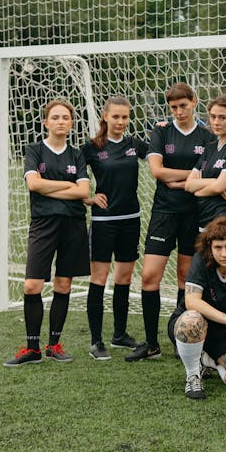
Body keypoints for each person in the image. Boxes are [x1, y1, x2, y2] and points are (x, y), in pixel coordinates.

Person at [126, 83, 215, 362]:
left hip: (194, 213)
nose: (179, 111)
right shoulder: (161, 132)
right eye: (173, 107)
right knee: (149, 276)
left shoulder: (207, 136)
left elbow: (208, 174)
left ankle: (180, 339)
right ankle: (151, 343)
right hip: (164, 213)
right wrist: (190, 176)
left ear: (194, 102)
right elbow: (156, 171)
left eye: (183, 106)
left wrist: (180, 179)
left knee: (184, 277)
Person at [4, 100, 90, 367]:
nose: (60, 121)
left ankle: (54, 345)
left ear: (71, 123)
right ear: (46, 122)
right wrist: (67, 186)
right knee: (32, 285)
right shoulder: (35, 150)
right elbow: (33, 184)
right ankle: (32, 348)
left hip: (73, 225)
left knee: (63, 285)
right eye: (55, 117)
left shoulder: (76, 154)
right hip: (43, 224)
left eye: (65, 117)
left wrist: (49, 187)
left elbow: (83, 191)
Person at [81, 96, 149, 360]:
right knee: (99, 279)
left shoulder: (134, 145)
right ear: (105, 116)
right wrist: (87, 198)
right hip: (103, 222)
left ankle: (119, 334)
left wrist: (164, 130)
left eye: (125, 117)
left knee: (124, 278)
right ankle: (96, 341)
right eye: (116, 116)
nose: (121, 122)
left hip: (131, 219)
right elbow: (71, 173)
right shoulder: (92, 147)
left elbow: (161, 154)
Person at [168, 215, 226, 399]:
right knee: (192, 319)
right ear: (210, 248)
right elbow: (191, 301)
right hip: (190, 327)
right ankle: (193, 376)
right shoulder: (201, 260)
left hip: (221, 332)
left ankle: (208, 360)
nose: (224, 253)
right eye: (218, 248)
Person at [184, 94, 226, 228]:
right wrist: (215, 181)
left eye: (222, 117)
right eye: (213, 117)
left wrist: (199, 192)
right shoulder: (210, 147)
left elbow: (218, 187)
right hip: (204, 218)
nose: (216, 122)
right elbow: (188, 185)